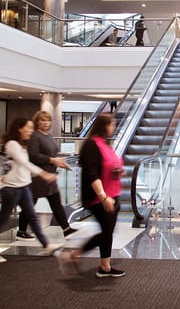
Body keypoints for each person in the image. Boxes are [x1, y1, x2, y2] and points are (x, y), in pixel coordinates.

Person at [55, 113, 125, 277]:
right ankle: (72, 255)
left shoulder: (104, 144)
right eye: (111, 124)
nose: (113, 127)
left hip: (113, 194)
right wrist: (103, 196)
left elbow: (108, 166)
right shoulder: (91, 145)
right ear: (104, 125)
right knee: (106, 232)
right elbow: (92, 174)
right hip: (99, 197)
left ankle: (105, 266)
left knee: (108, 231)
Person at [0, 118, 61, 263]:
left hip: (23, 186)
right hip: (11, 188)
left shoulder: (22, 145)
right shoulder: (12, 144)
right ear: (19, 129)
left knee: (33, 217)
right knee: (2, 220)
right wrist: (44, 174)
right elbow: (25, 163)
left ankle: (46, 245)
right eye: (28, 128)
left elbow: (24, 167)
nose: (31, 131)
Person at [16, 111, 77, 241]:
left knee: (55, 204)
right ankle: (21, 230)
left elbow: (52, 153)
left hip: (49, 177)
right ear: (37, 121)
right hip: (38, 177)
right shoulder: (35, 137)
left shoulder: (48, 136)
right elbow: (34, 156)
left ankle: (66, 229)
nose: (45, 123)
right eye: (42, 120)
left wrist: (59, 161)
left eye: (47, 120)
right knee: (30, 204)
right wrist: (53, 160)